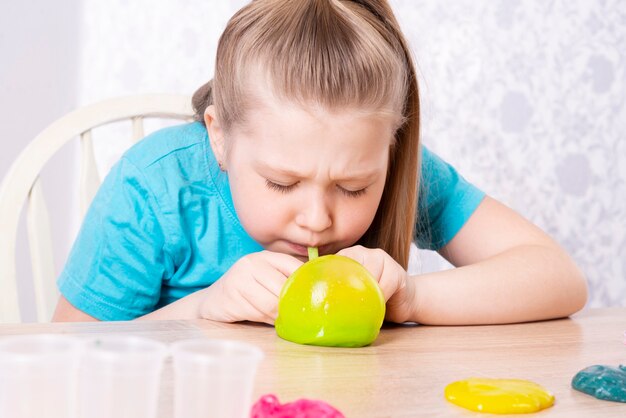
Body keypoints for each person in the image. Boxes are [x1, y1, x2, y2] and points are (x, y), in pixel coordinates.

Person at [53, 0, 587, 325]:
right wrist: (202, 308)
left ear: (389, 151)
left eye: (353, 188)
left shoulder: (396, 171)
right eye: (282, 183)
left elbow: (557, 277)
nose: (317, 219)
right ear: (219, 137)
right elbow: (69, 351)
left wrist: (413, 295)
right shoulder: (155, 188)